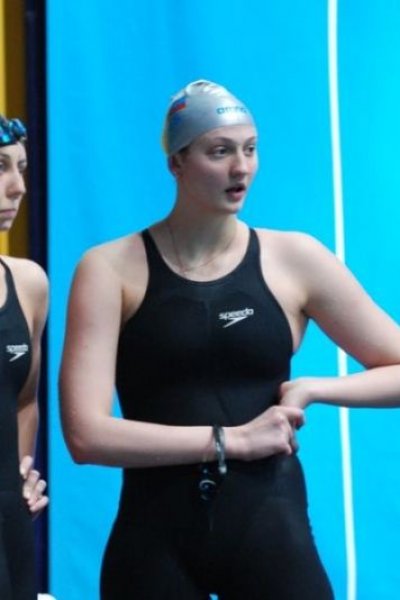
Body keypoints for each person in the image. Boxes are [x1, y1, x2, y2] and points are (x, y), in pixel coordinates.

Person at [59, 80, 400, 599]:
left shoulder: (295, 259)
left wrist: (313, 388)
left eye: (250, 149)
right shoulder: (109, 269)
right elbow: (85, 435)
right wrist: (230, 440)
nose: (241, 168)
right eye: (219, 152)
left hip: (270, 530)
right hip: (154, 543)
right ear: (176, 162)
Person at [0, 115, 49, 599]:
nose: (18, 187)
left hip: (9, 527)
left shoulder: (29, 284)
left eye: (22, 168)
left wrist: (18, 475)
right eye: (0, 167)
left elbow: (23, 401)